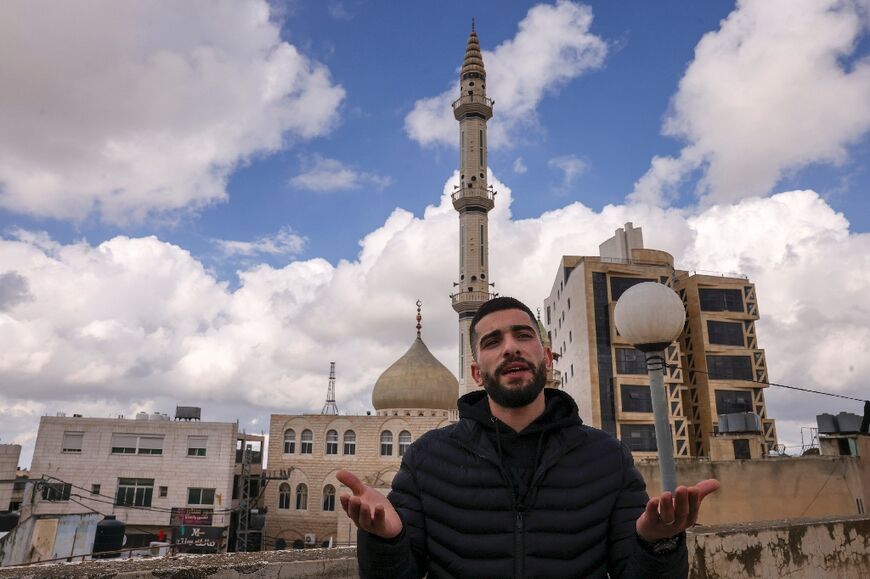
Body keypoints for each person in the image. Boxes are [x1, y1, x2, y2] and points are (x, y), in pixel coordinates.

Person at [338, 296, 719, 578]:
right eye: (492, 341)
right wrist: (383, 540)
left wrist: (658, 542)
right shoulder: (428, 458)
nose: (510, 347)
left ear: (547, 358)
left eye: (523, 335)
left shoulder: (606, 458)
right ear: (475, 372)